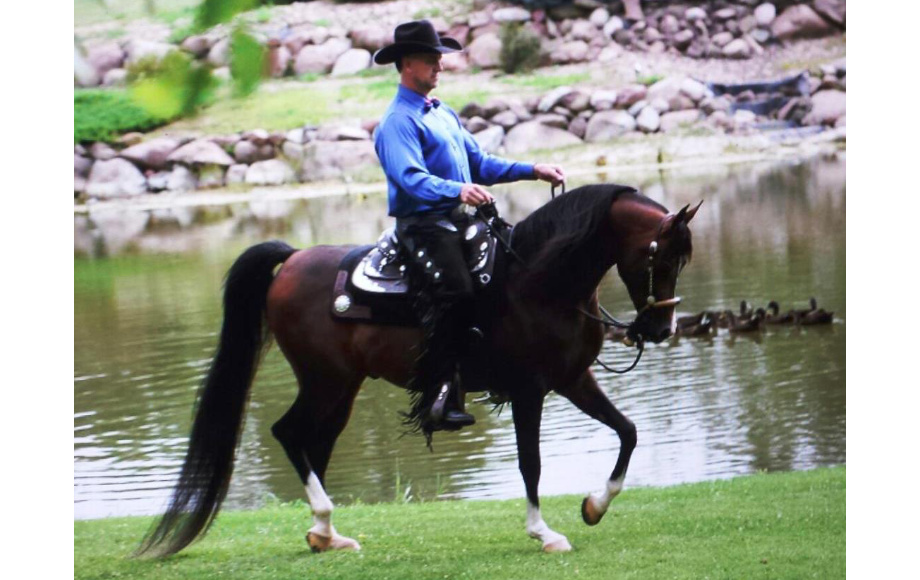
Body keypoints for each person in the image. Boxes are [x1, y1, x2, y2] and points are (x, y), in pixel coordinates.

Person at [372, 20, 565, 436]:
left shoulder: (441, 112)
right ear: (407, 64)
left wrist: (532, 169)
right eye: (430, 58)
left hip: (461, 222)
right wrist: (458, 190)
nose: (439, 65)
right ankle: (441, 394)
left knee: (512, 272)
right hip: (423, 226)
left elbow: (482, 164)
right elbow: (410, 178)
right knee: (457, 294)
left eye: (440, 57)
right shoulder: (396, 122)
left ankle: (504, 367)